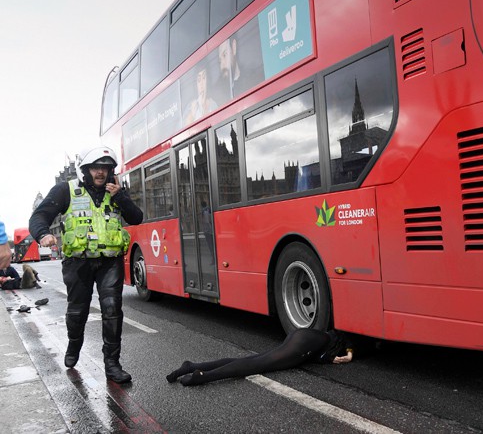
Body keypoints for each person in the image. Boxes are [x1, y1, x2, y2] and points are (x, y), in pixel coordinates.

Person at [29, 146, 143, 383]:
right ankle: (74, 344)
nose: (101, 172)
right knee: (77, 310)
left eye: (105, 168)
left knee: (112, 309)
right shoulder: (66, 190)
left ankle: (112, 364)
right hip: (77, 263)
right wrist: (43, 236)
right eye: (96, 167)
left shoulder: (117, 191)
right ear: (86, 169)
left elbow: (136, 218)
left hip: (109, 262)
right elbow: (39, 216)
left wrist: (120, 197)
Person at [166, 328, 354, 387]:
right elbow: (347, 343)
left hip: (304, 339)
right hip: (307, 343)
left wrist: (327, 358)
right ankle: (203, 377)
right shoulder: (351, 341)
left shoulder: (337, 339)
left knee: (255, 359)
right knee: (258, 364)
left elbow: (318, 355)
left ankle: (192, 366)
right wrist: (349, 354)